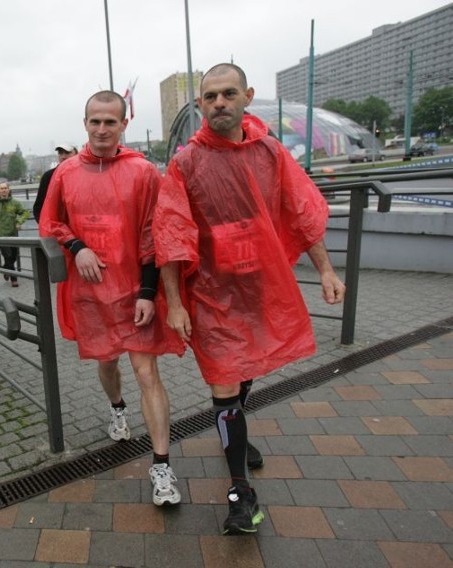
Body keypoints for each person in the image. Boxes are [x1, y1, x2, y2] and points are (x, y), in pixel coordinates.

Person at [153, 63, 346, 536]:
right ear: (199, 105)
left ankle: (234, 440)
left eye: (228, 94)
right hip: (213, 295)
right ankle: (241, 493)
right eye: (211, 96)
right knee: (224, 380)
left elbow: (300, 212)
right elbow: (171, 236)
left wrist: (325, 269)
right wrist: (175, 303)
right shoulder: (185, 164)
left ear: (247, 97)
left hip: (260, 288)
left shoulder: (271, 153)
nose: (219, 102)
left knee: (247, 368)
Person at [39, 90, 186, 508]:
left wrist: (146, 291)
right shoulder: (65, 173)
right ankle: (117, 408)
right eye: (94, 121)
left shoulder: (143, 172)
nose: (102, 129)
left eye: (110, 122)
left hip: (132, 293)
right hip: (89, 294)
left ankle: (161, 465)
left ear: (124, 125)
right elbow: (50, 222)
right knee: (108, 365)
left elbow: (154, 232)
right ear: (84, 124)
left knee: (146, 373)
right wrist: (77, 247)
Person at [0, 181, 29, 287]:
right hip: (0, 235)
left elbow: (25, 212)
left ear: (9, 190)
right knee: (8, 255)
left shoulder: (14, 202)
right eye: (1, 188)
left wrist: (19, 222)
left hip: (13, 234)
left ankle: (5, 269)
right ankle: (14, 279)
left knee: (13, 256)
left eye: (5, 188)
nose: (3, 190)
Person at [33, 143, 78, 222]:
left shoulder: (84, 174)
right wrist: (45, 225)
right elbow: (39, 205)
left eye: (67, 153)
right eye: (60, 153)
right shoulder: (48, 176)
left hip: (79, 227)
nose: (63, 156)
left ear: (76, 154)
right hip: (57, 227)